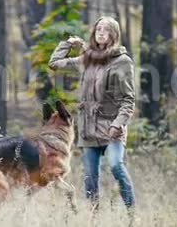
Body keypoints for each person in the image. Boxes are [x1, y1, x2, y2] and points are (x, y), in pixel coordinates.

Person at [48, 16, 136, 212]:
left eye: (106, 29)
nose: (101, 32)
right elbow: (54, 63)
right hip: (88, 129)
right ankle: (93, 217)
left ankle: (132, 213)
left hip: (112, 128)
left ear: (114, 34)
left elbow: (129, 100)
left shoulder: (122, 62)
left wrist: (118, 124)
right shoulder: (85, 60)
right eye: (98, 29)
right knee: (89, 177)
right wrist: (68, 44)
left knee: (115, 165)